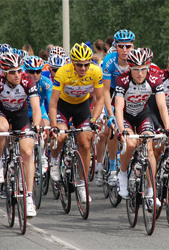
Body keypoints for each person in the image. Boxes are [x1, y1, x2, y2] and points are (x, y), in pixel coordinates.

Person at [0, 52, 41, 217]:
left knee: (27, 152)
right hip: (2, 113)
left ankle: (29, 198)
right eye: (12, 72)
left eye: (18, 70)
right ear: (4, 73)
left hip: (20, 114)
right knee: (2, 129)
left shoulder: (27, 81)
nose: (17, 75)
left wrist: (37, 125)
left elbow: (36, 107)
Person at [49, 42, 104, 203]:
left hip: (82, 107)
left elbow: (100, 99)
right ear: (72, 63)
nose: (83, 68)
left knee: (85, 142)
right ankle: (54, 160)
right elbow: (53, 103)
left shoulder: (95, 72)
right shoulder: (62, 72)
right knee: (60, 136)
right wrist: (54, 126)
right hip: (63, 107)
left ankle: (82, 184)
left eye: (86, 64)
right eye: (79, 65)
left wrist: (94, 119)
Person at [114, 48, 169, 204]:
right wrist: (121, 130)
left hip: (142, 115)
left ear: (148, 68)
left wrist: (167, 127)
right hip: (125, 116)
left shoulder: (154, 79)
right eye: (136, 69)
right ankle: (123, 174)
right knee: (131, 143)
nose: (140, 73)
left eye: (143, 69)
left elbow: (161, 105)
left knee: (149, 146)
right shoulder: (122, 80)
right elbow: (118, 108)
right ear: (130, 68)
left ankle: (152, 192)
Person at [95, 29, 135, 186]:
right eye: (121, 46)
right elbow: (105, 91)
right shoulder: (109, 61)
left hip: (128, 92)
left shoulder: (136, 59)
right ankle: (111, 168)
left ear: (132, 46)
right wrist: (110, 114)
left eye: (128, 46)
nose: (125, 50)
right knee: (111, 129)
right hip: (111, 92)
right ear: (115, 47)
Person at [24, 55, 53, 174]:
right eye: (31, 71)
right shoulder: (21, 81)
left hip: (38, 109)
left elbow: (51, 105)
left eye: (38, 71)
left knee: (45, 125)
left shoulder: (46, 83)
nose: (35, 74)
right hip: (23, 110)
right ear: (26, 71)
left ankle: (43, 153)